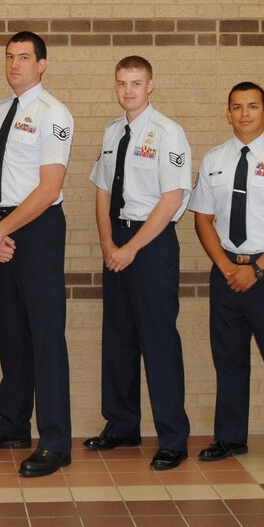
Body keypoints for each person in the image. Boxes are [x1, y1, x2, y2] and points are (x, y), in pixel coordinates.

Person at [0, 31, 73, 478]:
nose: (15, 64)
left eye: (24, 57)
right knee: (11, 332)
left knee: (45, 336)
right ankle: (12, 423)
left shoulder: (54, 114)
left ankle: (55, 440)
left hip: (38, 229)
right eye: (10, 57)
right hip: (3, 230)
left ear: (42, 64)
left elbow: (49, 189)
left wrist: (0, 230)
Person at [189, 81, 264, 474]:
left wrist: (257, 270)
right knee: (229, 359)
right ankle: (230, 437)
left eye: (253, 106)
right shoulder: (214, 160)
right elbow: (203, 219)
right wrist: (227, 267)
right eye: (237, 107)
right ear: (228, 113)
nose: (244, 113)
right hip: (225, 272)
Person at [85, 56, 192, 471]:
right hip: (118, 242)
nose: (128, 90)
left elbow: (173, 198)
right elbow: (100, 190)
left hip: (152, 245)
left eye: (136, 83)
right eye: (122, 83)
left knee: (159, 341)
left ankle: (172, 438)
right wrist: (109, 242)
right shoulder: (113, 132)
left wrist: (132, 248)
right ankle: (122, 426)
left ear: (151, 86)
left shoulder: (168, 133)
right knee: (119, 338)